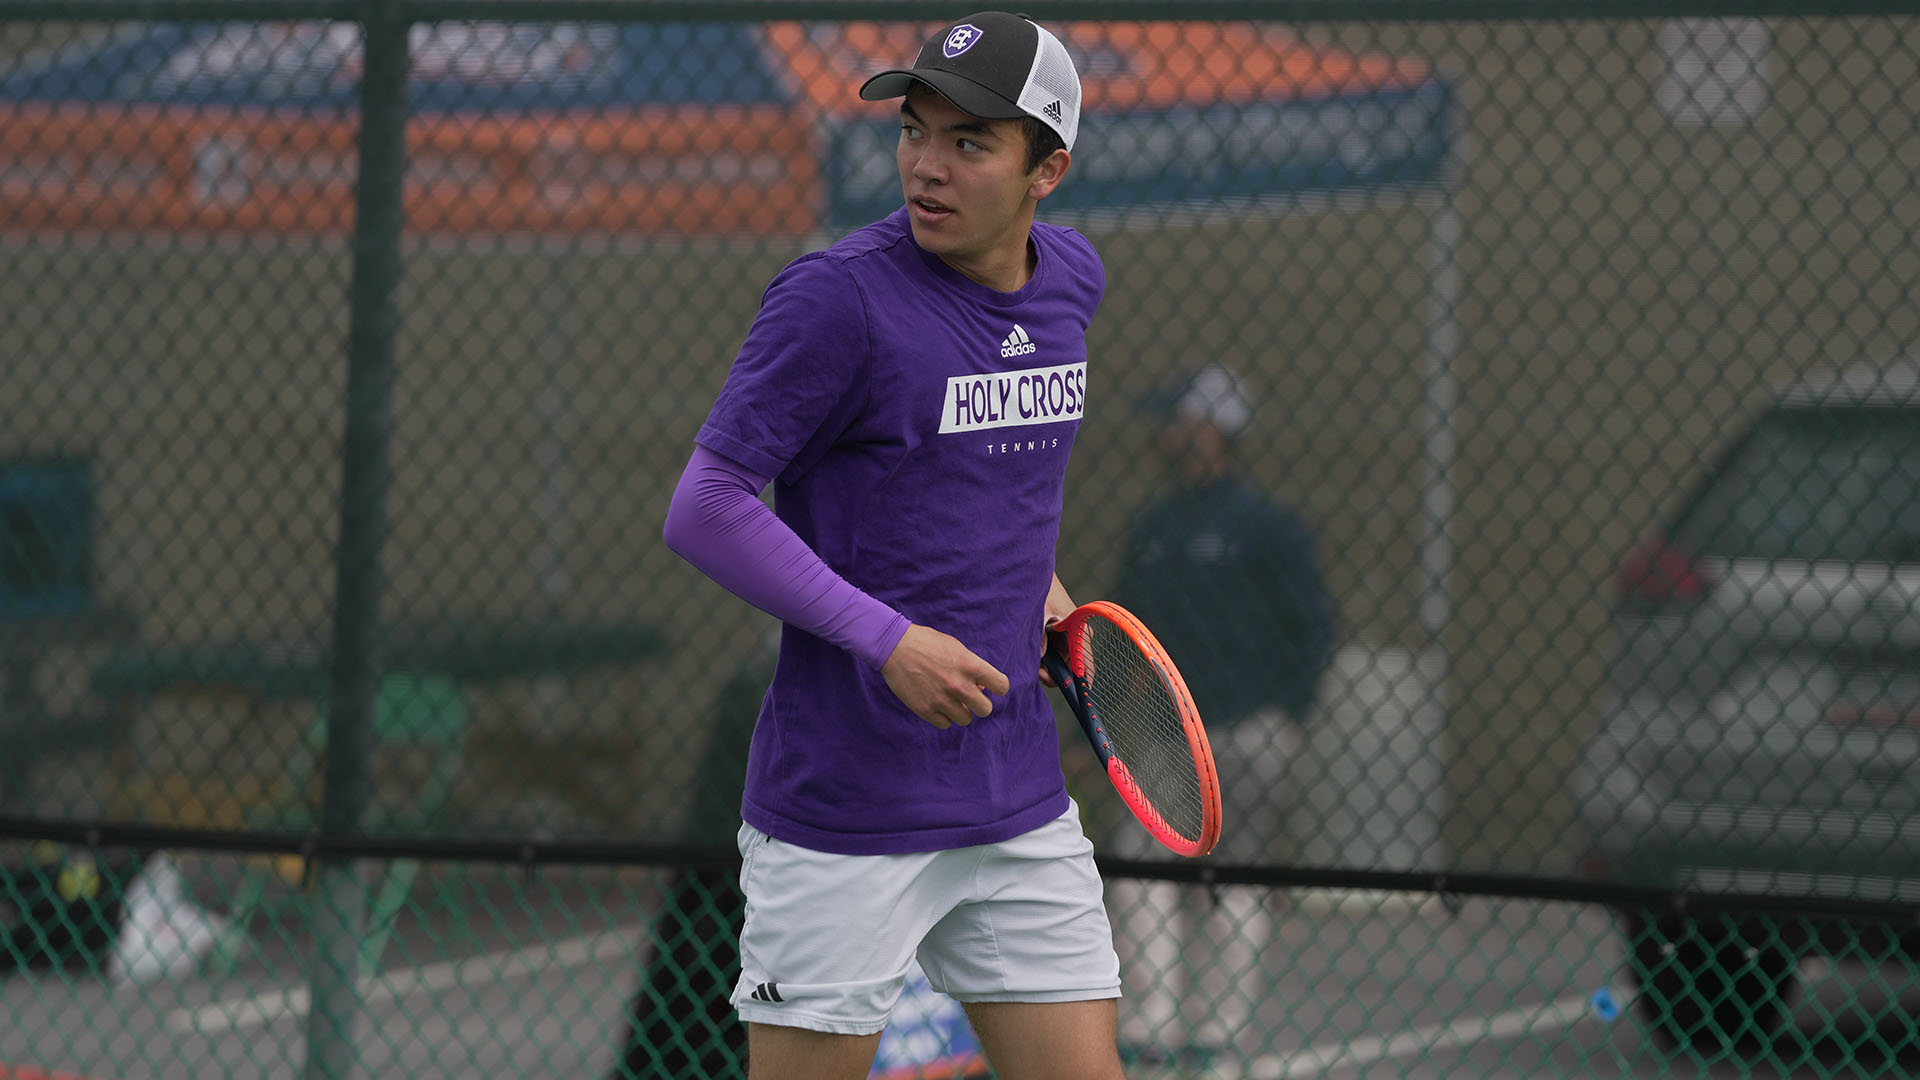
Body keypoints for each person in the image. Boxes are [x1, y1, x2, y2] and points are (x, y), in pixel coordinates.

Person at [662, 13, 1125, 1080]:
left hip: (1015, 803)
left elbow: (997, 476)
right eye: (916, 132)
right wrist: (890, 640)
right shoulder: (836, 300)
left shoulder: (1072, 285)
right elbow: (707, 505)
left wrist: (1043, 591)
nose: (927, 164)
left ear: (1045, 170)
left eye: (971, 144)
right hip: (843, 814)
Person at [1106, 363, 1335, 1063]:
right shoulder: (1157, 524)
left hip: (1247, 726)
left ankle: (1217, 1032)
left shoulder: (1267, 527)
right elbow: (1123, 631)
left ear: (1213, 432)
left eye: (1177, 422)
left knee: (1237, 874)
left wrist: (1287, 713)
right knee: (1140, 868)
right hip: (1165, 732)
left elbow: (1313, 627)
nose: (1164, 436)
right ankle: (1152, 1027)